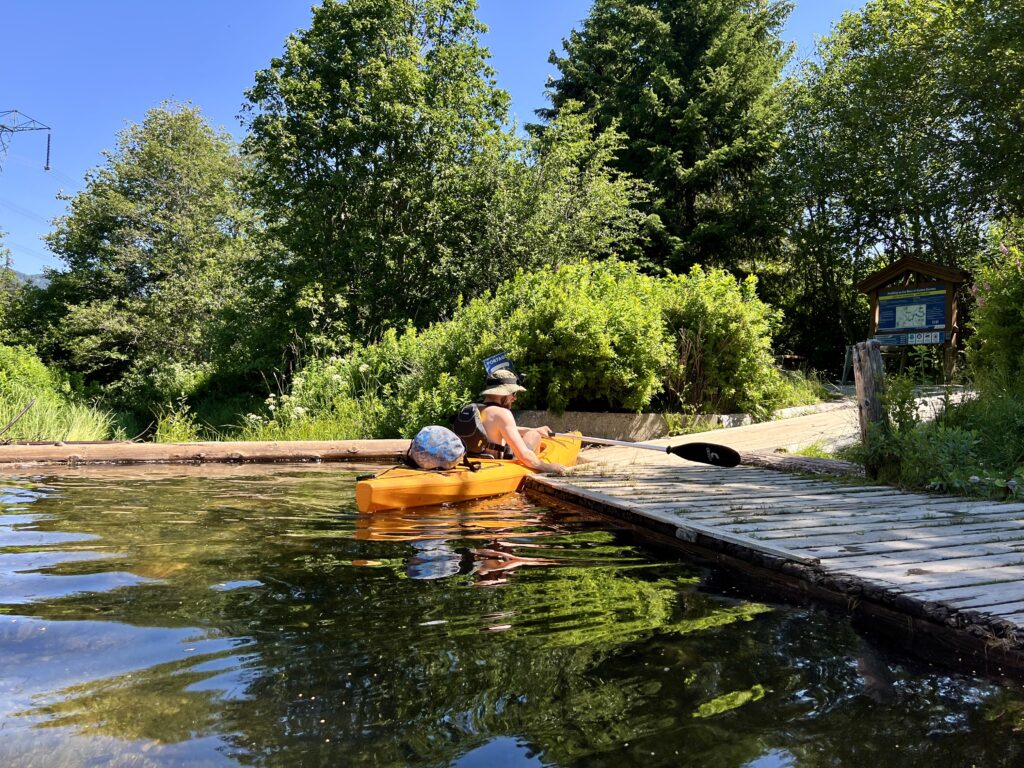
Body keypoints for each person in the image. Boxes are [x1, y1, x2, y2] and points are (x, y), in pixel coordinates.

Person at [460, 369, 566, 475]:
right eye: (513, 393)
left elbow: (497, 429)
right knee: (534, 435)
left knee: (533, 432)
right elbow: (524, 456)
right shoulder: (502, 413)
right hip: (495, 467)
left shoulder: (474, 409)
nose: (514, 398)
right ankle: (534, 475)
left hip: (471, 461)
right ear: (503, 393)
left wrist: (532, 429)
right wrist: (549, 467)